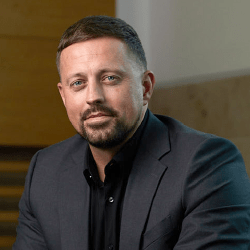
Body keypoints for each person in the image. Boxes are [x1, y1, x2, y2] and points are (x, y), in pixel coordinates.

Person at [13, 15, 250, 250]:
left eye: (109, 78)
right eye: (78, 83)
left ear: (145, 88)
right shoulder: (44, 171)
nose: (93, 96)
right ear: (64, 96)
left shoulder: (209, 164)